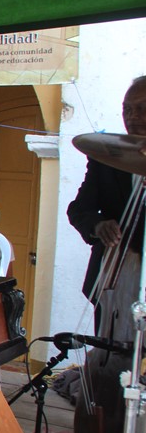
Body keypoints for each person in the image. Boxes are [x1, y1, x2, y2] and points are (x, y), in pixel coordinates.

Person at [67, 76, 146, 328]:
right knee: (108, 353)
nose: (132, 117)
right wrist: (98, 225)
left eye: (143, 109)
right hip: (112, 282)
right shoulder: (106, 157)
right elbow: (79, 209)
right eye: (127, 109)